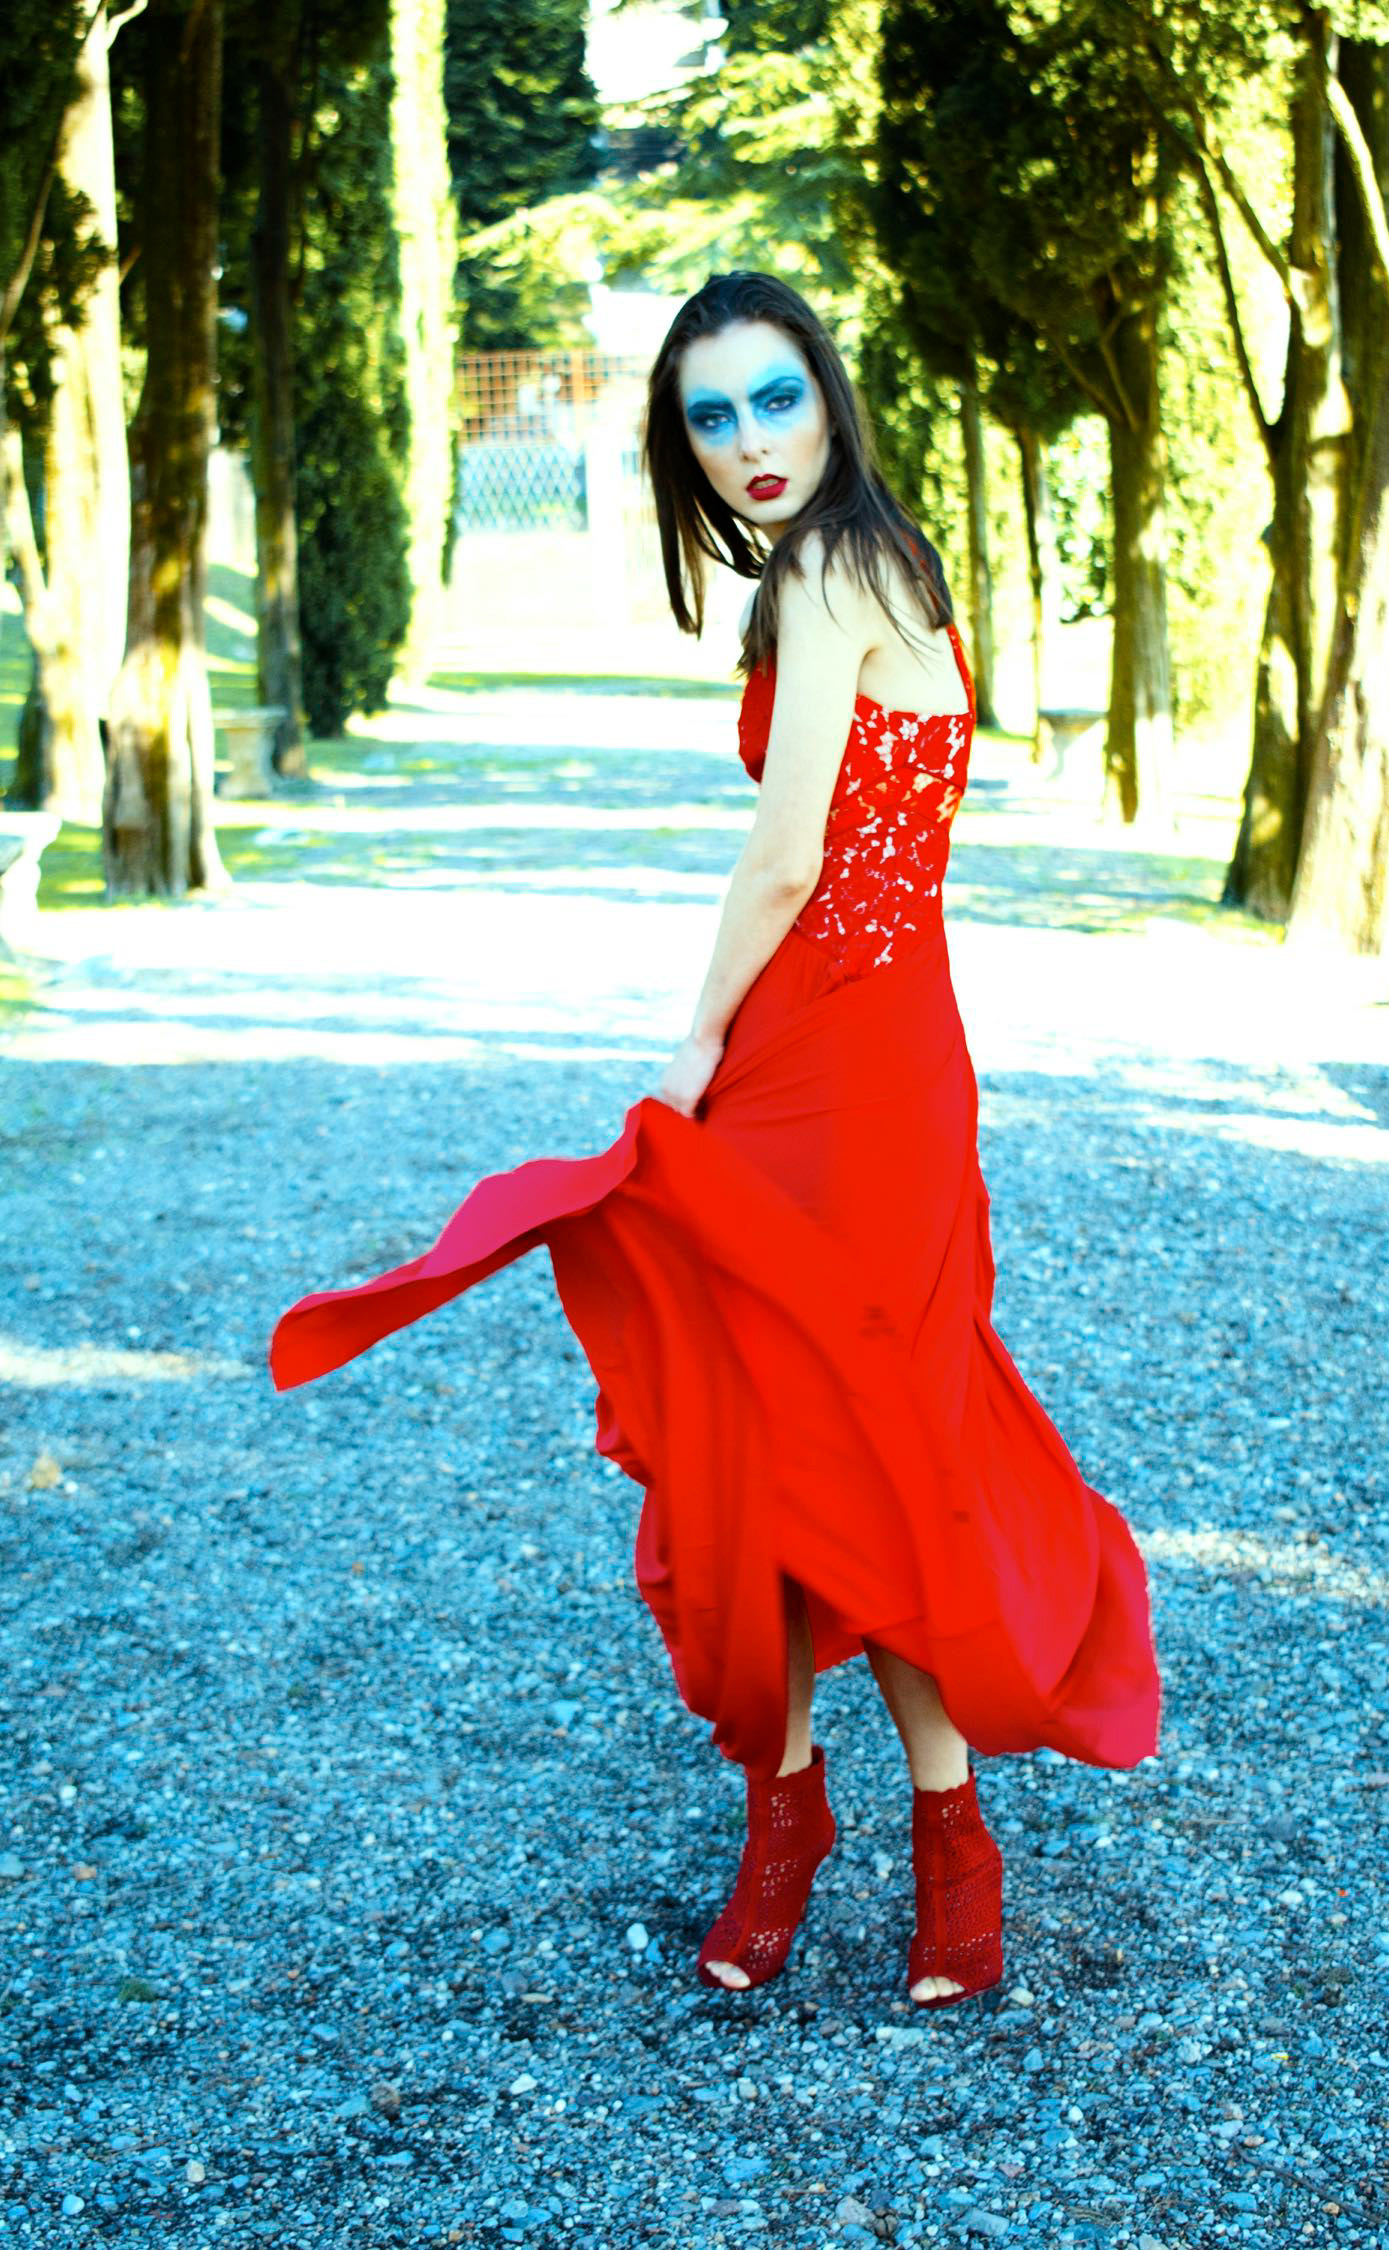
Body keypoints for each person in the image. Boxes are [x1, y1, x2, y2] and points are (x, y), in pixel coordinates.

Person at [268, 270, 1162, 2013]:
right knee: (818, 1438)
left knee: (843, 1442)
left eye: (774, 397)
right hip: (888, 1052)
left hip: (839, 1068)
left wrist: (691, 1045)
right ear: (682, 443)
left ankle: (907, 1831)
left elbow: (790, 854)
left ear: (829, 392)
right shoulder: (888, 559)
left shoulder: (829, 568)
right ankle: (832, 1822)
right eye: (710, 416)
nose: (750, 441)